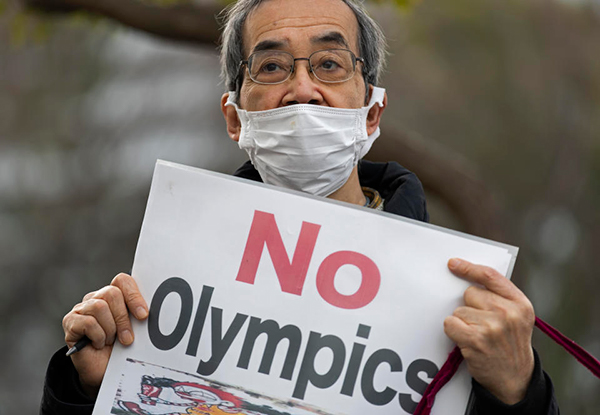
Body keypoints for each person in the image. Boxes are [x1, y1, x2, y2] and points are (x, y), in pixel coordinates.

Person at [40, 0, 559, 414]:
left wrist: (518, 394)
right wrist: (87, 393)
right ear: (235, 118)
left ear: (373, 111)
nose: (303, 90)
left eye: (330, 64)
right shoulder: (160, 290)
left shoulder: (462, 305)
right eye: (271, 66)